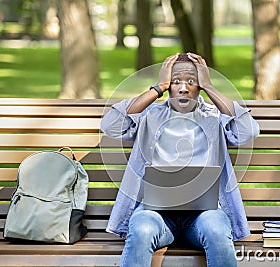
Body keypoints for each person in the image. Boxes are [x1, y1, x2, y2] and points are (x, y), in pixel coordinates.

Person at [101, 53, 259, 267]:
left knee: (217, 229)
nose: (183, 88)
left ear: (199, 86)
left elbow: (247, 131)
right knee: (141, 228)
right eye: (176, 81)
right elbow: (110, 124)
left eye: (191, 82)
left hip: (203, 217)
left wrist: (210, 87)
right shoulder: (150, 114)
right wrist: (158, 88)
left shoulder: (213, 116)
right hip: (157, 216)